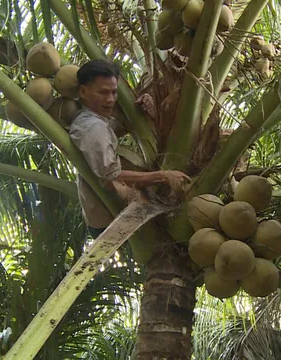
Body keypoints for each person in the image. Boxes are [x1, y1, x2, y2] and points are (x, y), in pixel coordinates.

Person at [69, 59, 190, 238]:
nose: (110, 99)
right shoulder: (93, 128)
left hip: (100, 215)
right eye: (103, 93)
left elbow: (114, 130)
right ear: (83, 91)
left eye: (114, 92)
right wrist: (164, 176)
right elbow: (112, 176)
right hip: (109, 220)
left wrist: (146, 109)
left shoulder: (92, 120)